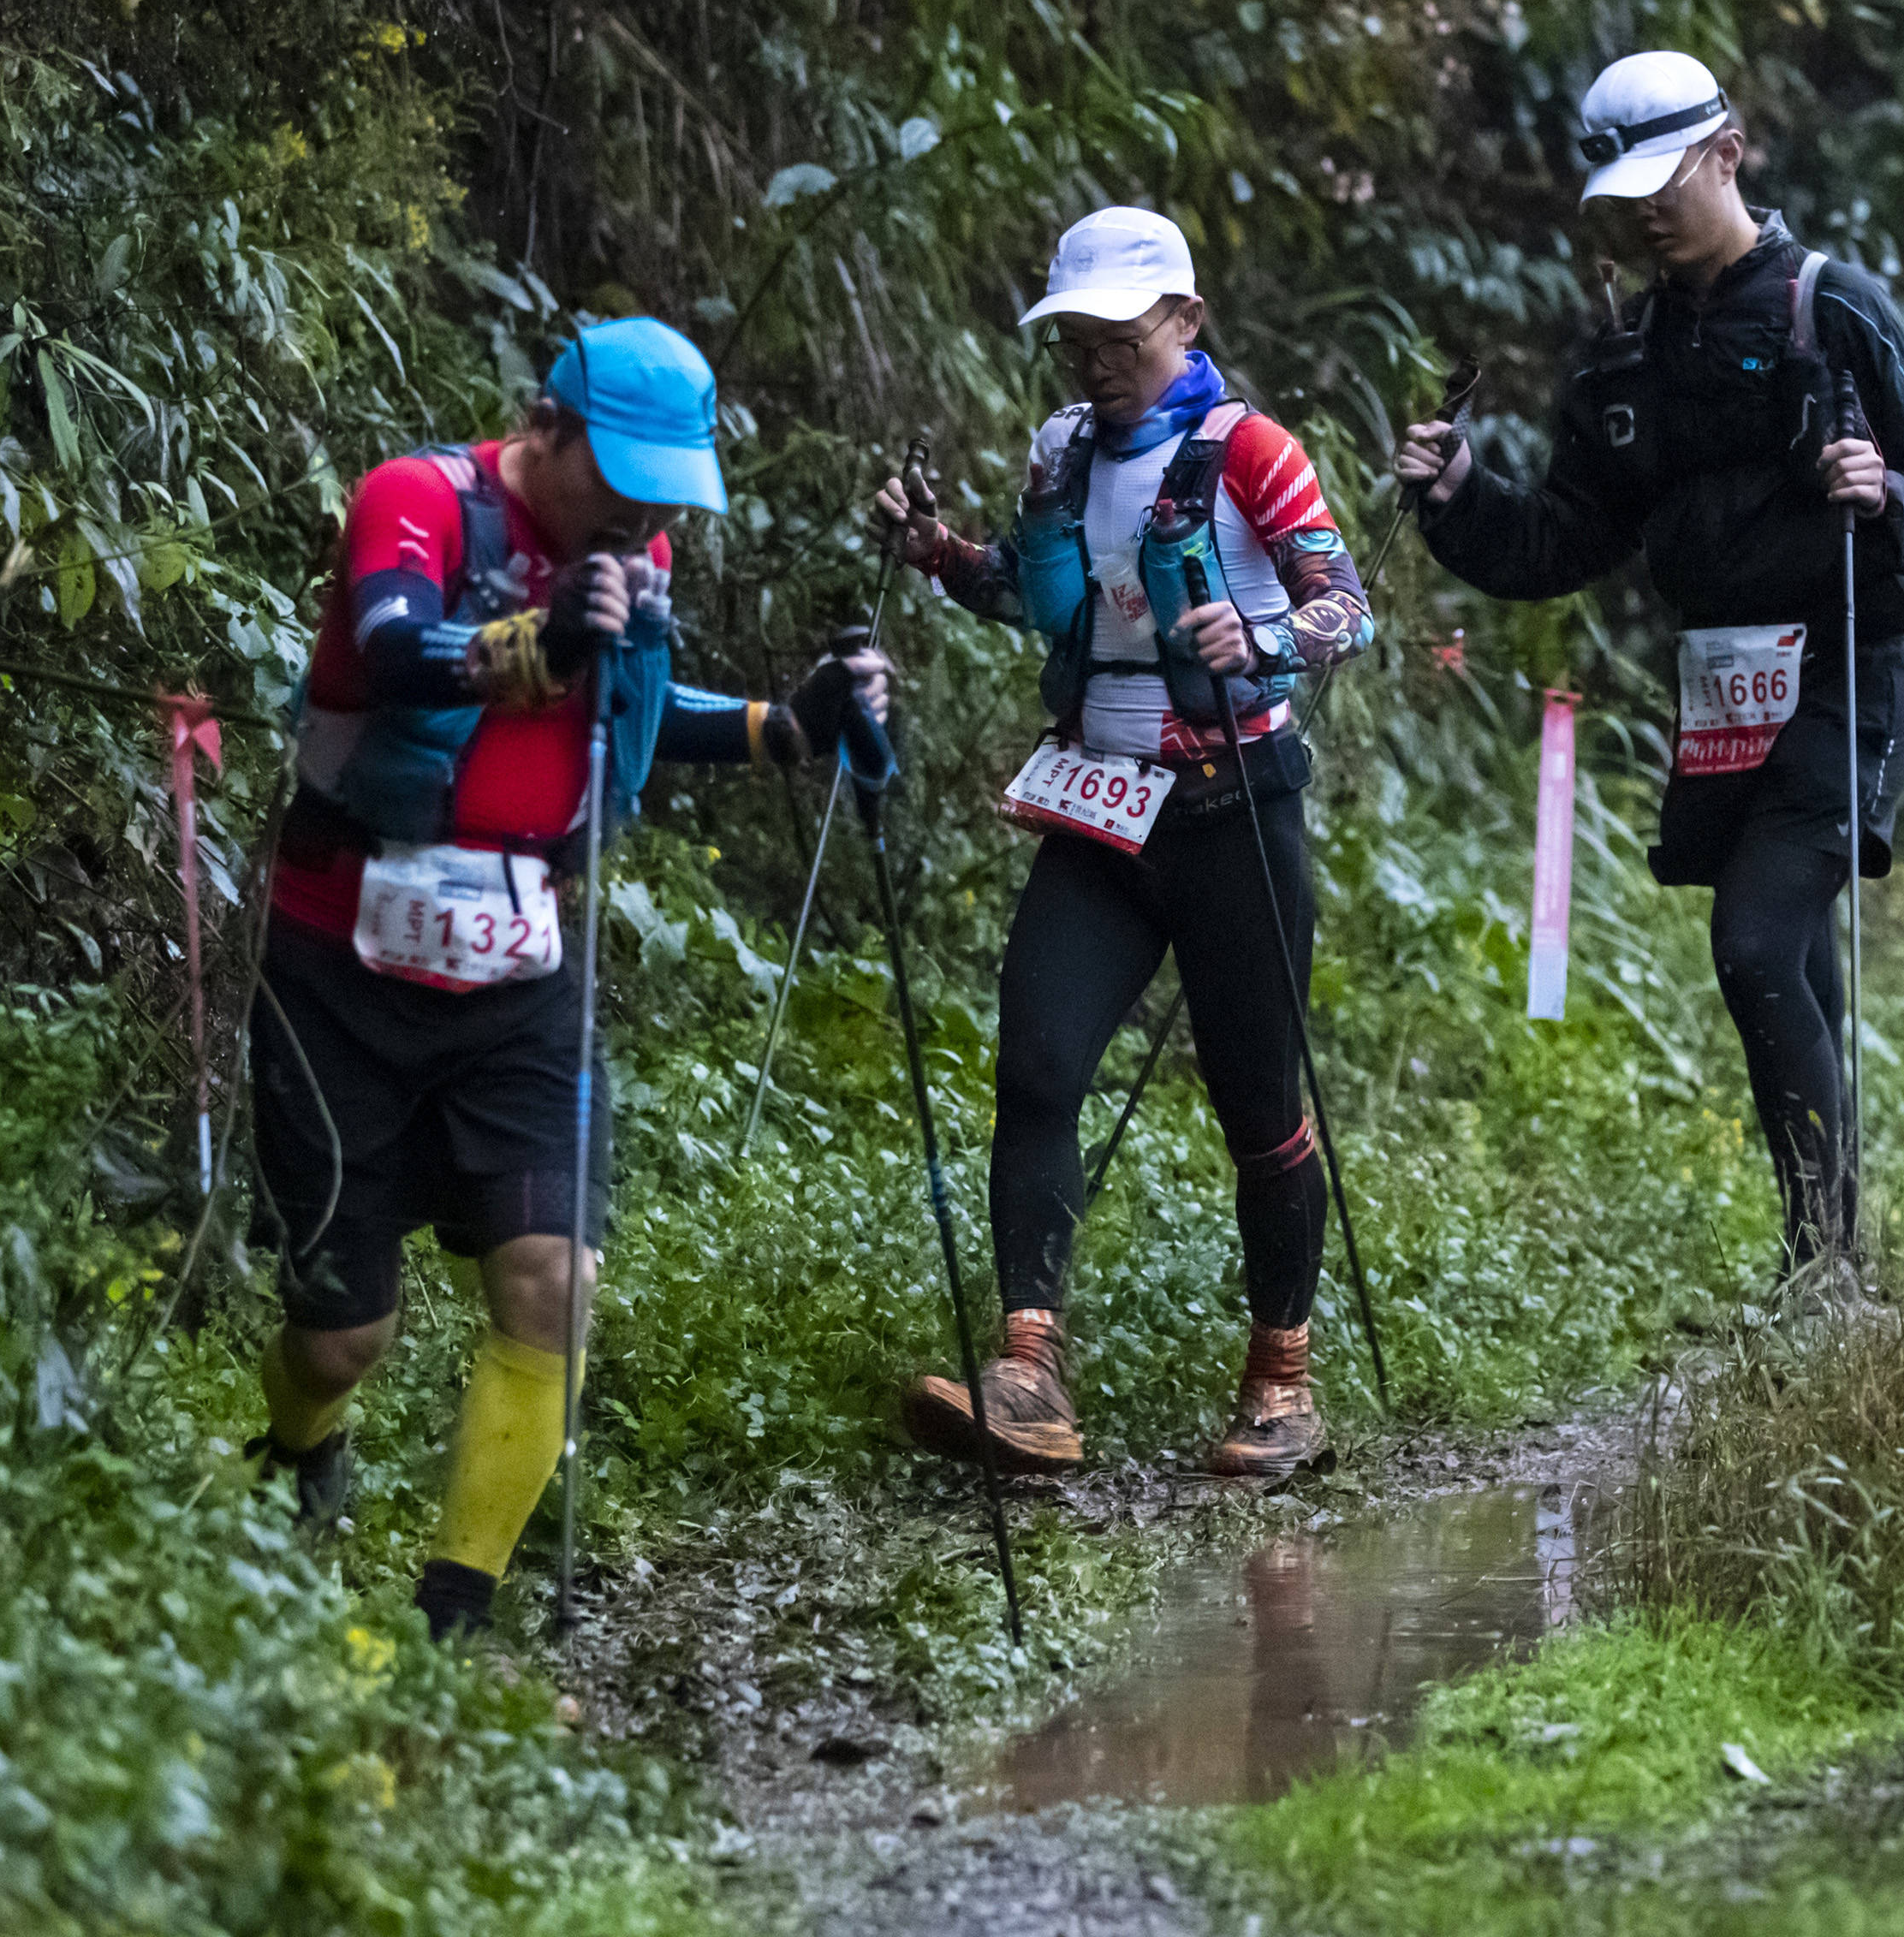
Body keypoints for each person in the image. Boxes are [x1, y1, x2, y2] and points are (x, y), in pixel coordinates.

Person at [247, 318, 887, 1641]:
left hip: (522, 974)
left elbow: (627, 708)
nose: (645, 509)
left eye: (666, 486)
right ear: (548, 429)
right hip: (340, 963)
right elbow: (389, 649)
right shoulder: (419, 500)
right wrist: (536, 643)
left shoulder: (631, 555)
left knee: (555, 1281)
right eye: (623, 476)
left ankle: (452, 1614)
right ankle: (305, 1444)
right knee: (339, 1335)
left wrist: (790, 722)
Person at [1394, 50, 1904, 1281]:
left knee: (1756, 945)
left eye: (1670, 176)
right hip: (1721, 691)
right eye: (1627, 191)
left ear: (1732, 149)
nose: (1650, 208)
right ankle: (1838, 1265)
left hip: (1851, 668)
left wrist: (1886, 493)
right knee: (1789, 960)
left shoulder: (1835, 304)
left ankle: (1823, 1267)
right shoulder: (1618, 364)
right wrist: (1455, 497)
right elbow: (1560, 540)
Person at [872, 207, 1373, 1481]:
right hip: (1097, 805)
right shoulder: (1060, 454)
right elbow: (1035, 594)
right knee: (1037, 1063)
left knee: (1260, 1105)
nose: (1094, 359)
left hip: (1231, 808)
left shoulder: (1250, 449)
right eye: (1076, 337)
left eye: (1119, 335)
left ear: (1185, 322)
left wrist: (1259, 643)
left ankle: (1284, 1378)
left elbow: (1345, 608)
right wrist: (934, 552)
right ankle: (1028, 1373)